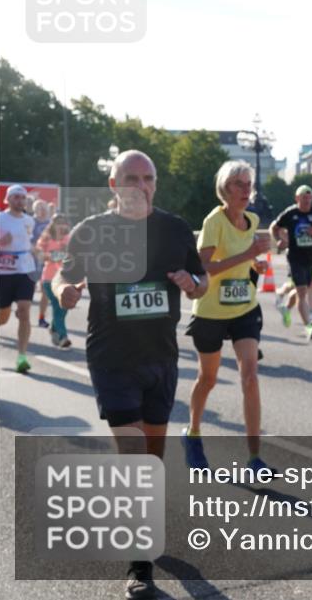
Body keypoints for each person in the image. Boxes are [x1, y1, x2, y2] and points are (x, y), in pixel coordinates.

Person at [53, 150, 208, 600]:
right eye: (131, 178)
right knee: (135, 454)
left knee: (152, 459)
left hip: (160, 357)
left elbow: (202, 281)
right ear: (113, 185)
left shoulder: (175, 228)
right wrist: (66, 292)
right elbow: (63, 277)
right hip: (112, 358)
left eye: (148, 178)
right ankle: (140, 566)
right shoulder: (92, 231)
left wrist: (192, 285)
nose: (141, 185)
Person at [181, 160, 273, 473]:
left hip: (245, 308)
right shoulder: (213, 222)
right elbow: (202, 268)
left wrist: (254, 266)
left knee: (250, 376)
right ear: (225, 189)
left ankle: (254, 458)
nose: (246, 190)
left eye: (249, 184)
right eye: (239, 184)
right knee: (208, 378)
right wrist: (248, 256)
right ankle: (192, 434)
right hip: (210, 311)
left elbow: (243, 263)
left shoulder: (253, 218)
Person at [270, 185, 312, 341]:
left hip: (310, 257)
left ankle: (285, 308)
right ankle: (309, 326)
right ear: (297, 199)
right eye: (304, 198)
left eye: (309, 198)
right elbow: (274, 227)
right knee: (302, 292)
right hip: (295, 257)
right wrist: (279, 240)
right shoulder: (291, 214)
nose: (307, 201)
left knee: (301, 290)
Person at [0, 184, 37, 372]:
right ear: (8, 199)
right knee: (3, 317)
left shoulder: (30, 221)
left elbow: (30, 244)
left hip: (25, 270)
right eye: (16, 197)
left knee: (24, 310)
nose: (20, 200)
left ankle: (21, 356)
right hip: (3, 272)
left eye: (22, 197)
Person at [35, 214, 72, 347]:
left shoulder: (69, 238)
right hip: (49, 278)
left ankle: (53, 328)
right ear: (53, 224)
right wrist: (55, 255)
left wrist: (56, 255)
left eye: (64, 223)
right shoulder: (46, 238)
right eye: (58, 223)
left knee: (64, 307)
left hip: (66, 278)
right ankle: (63, 337)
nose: (61, 226)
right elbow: (40, 255)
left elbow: (74, 255)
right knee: (58, 305)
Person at [31, 200, 52, 329]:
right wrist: (37, 252)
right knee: (28, 293)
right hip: (31, 262)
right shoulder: (29, 222)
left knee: (45, 291)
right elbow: (26, 240)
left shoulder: (51, 224)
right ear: (34, 210)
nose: (42, 210)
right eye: (39, 208)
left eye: (44, 207)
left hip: (47, 262)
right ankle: (22, 312)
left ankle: (41, 318)